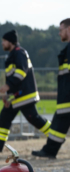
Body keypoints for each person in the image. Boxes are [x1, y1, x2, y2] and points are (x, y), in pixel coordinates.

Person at [0, 30, 51, 152]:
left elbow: (21, 72)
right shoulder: (13, 55)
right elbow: (14, 77)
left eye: (4, 41)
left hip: (25, 96)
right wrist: (8, 95)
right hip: (16, 97)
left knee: (34, 118)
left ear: (10, 42)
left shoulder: (20, 53)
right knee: (4, 118)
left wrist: (8, 86)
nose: (2, 43)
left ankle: (53, 137)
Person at [32, 19, 70, 158]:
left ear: (69, 29)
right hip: (66, 98)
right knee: (58, 125)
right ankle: (49, 150)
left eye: (61, 30)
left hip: (67, 98)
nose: (59, 33)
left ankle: (49, 150)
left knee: (59, 124)